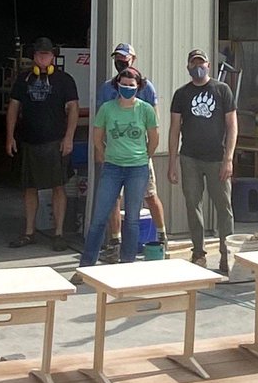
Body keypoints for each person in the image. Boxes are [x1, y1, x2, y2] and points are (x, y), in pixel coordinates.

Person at [79, 67, 158, 268]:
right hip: (112, 168)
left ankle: (127, 265)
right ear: (117, 86)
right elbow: (97, 137)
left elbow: (154, 138)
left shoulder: (146, 109)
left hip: (137, 169)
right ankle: (86, 265)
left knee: (132, 219)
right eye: (123, 85)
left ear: (138, 87)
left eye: (131, 85)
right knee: (99, 217)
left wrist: (144, 156)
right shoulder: (107, 108)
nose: (127, 88)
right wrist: (105, 154)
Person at [168, 49, 237, 276]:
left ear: (208, 65)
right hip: (189, 157)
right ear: (188, 66)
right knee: (192, 204)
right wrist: (172, 161)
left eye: (201, 62)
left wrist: (228, 158)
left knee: (223, 207)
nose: (198, 66)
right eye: (193, 63)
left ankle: (228, 255)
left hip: (217, 158)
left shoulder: (221, 90)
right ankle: (198, 253)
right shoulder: (181, 94)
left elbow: (232, 126)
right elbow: (174, 128)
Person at [6, 36, 79, 252]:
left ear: (53, 57)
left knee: (59, 187)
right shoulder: (23, 79)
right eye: (39, 54)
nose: (42, 57)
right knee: (29, 188)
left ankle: (58, 234)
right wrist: (9, 136)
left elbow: (73, 109)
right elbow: (13, 108)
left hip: (55, 142)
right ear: (34, 57)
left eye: (46, 54)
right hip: (29, 141)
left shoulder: (65, 80)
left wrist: (69, 138)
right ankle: (29, 232)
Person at [96, 42, 168, 261]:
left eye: (124, 58)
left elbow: (154, 123)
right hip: (114, 154)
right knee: (113, 199)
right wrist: (103, 151)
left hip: (139, 155)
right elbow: (101, 121)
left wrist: (148, 153)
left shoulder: (147, 87)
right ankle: (115, 243)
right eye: (117, 58)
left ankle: (163, 238)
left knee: (150, 195)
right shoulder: (107, 88)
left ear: (133, 59)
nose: (121, 61)